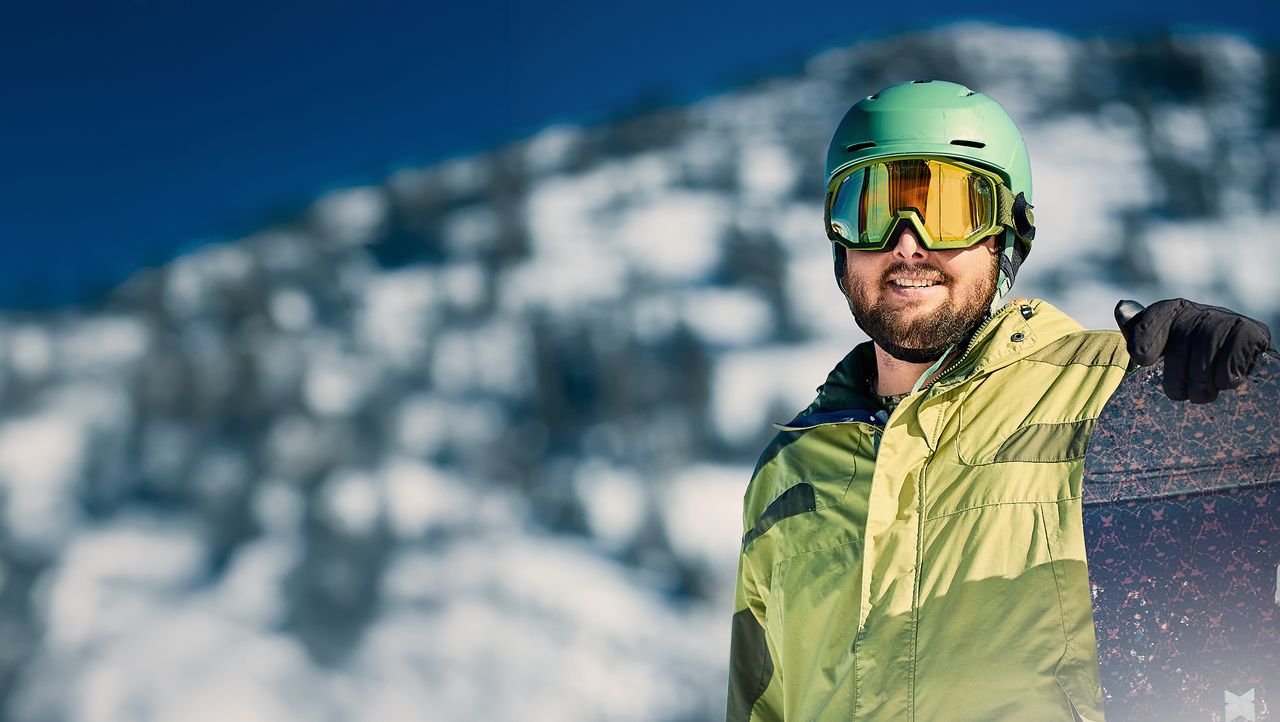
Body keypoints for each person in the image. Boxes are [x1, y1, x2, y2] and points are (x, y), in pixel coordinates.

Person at [725, 80, 1274, 722]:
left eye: (952, 209)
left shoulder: (1121, 392)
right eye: (874, 209)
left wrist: (1236, 409)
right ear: (839, 239)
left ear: (1009, 234)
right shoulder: (790, 472)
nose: (907, 241)